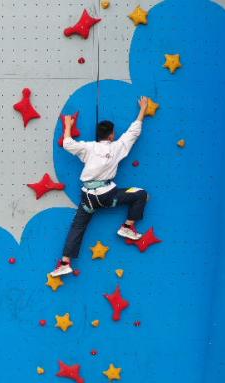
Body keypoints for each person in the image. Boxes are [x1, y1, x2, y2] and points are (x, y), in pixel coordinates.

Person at [50, 97, 151, 277]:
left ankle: (65, 262)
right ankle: (128, 226)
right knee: (140, 194)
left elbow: (67, 143)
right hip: (108, 197)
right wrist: (143, 108)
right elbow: (134, 132)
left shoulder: (88, 148)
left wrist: (67, 125)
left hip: (88, 198)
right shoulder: (117, 147)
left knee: (78, 227)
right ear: (111, 135)